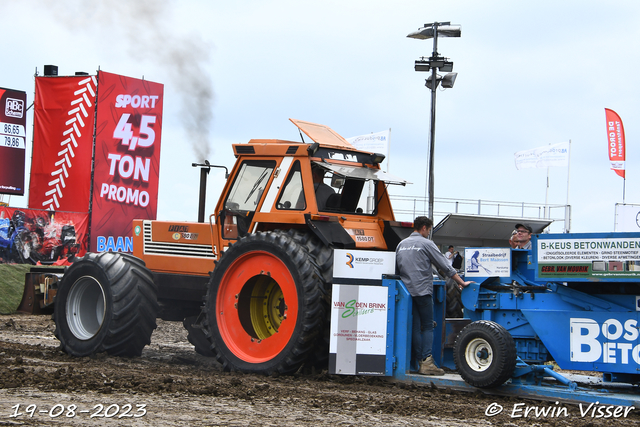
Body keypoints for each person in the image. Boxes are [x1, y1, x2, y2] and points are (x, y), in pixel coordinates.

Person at [396, 216, 473, 376]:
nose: (429, 233)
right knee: (428, 326)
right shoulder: (426, 244)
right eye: (429, 230)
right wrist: (462, 283)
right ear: (424, 227)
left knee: (416, 327)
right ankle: (427, 362)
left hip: (407, 293)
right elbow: (446, 267)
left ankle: (417, 362)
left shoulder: (401, 244)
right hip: (423, 291)